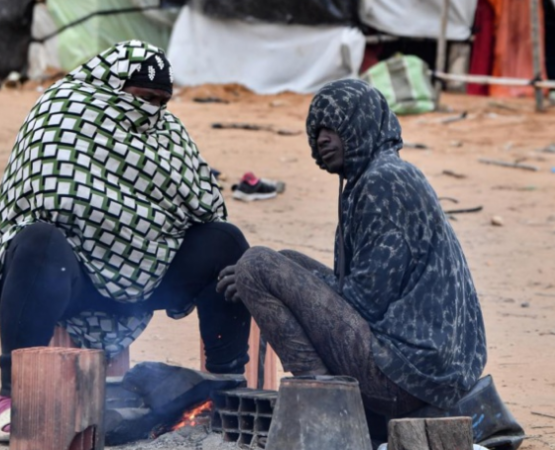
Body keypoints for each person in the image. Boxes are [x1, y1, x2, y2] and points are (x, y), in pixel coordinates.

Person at [218, 80, 522, 448]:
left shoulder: (383, 182)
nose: (323, 140)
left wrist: (262, 281)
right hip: (427, 372)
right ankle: (337, 404)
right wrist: (284, 277)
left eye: (334, 128)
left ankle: (329, 412)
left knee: (256, 264)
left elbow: (364, 302)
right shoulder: (377, 177)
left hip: (408, 375)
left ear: (361, 124)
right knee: (282, 262)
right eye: (317, 132)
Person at [0, 40, 251, 442]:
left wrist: (137, 225)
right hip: (69, 278)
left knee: (226, 242)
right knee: (38, 241)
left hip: (147, 274)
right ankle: (13, 396)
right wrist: (138, 214)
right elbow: (54, 198)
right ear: (112, 86)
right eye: (143, 97)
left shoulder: (167, 131)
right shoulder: (62, 112)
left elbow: (207, 206)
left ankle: (227, 382)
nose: (151, 110)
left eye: (161, 101)